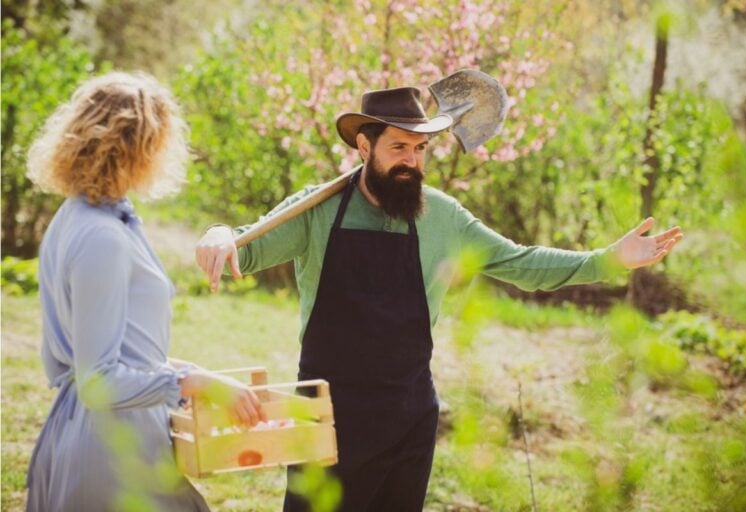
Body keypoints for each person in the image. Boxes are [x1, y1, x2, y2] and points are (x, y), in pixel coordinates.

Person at [195, 86, 683, 511]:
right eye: (400, 147)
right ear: (364, 146)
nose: (412, 161)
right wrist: (219, 234)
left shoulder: (443, 218)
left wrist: (607, 260)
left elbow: (521, 262)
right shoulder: (316, 211)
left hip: (409, 415)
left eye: (421, 148)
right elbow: (246, 245)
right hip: (327, 416)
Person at [25, 71, 265, 512]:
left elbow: (83, 356)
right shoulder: (102, 236)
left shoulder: (78, 216)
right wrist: (194, 382)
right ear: (141, 146)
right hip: (112, 453)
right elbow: (98, 381)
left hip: (100, 434)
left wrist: (193, 373)